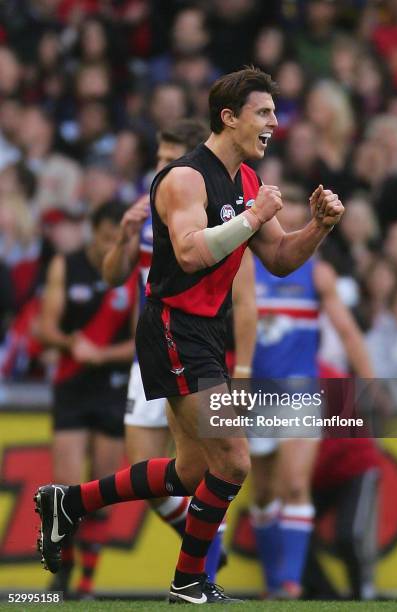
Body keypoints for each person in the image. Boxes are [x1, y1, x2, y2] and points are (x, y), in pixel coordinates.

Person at [34, 66, 344, 604]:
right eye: (263, 113)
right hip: (174, 326)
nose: (274, 123)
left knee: (192, 470)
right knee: (235, 462)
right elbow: (189, 252)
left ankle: (69, 503)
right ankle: (188, 581)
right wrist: (253, 219)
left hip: (203, 331)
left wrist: (318, 227)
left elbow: (279, 260)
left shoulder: (247, 180)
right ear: (229, 117)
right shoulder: (185, 178)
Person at [103, 118, 251, 582]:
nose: (161, 167)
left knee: (209, 465)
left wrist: (243, 365)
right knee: (181, 472)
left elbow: (245, 297)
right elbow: (112, 277)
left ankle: (201, 563)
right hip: (151, 347)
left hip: (191, 342)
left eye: (170, 159)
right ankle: (201, 551)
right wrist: (124, 240)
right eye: (158, 159)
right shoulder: (151, 208)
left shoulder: (208, 204)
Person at [249, 193, 374, 599]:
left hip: (301, 392)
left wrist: (370, 383)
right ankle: (273, 583)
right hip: (256, 395)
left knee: (295, 485)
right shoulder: (245, 271)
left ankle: (289, 585)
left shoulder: (317, 275)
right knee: (263, 493)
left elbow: (348, 332)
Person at [37, 201, 136, 597]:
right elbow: (44, 328)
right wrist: (69, 343)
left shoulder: (130, 274)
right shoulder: (67, 264)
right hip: (72, 384)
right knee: (64, 488)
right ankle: (63, 573)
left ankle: (86, 585)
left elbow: (137, 342)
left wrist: (103, 354)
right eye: (105, 238)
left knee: (102, 491)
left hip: (112, 386)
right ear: (93, 233)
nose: (110, 247)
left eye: (118, 239)